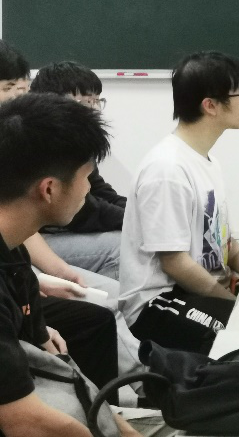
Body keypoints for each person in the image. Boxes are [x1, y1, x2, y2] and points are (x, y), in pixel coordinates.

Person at [0, 93, 138, 437]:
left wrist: (120, 429)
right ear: (48, 189)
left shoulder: (14, 253)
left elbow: (60, 368)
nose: (89, 189)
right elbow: (24, 421)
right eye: (86, 177)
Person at [119, 51, 239, 354]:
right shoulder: (167, 170)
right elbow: (175, 263)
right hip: (158, 303)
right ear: (211, 105)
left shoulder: (207, 161)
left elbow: (226, 243)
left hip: (197, 290)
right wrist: (236, 303)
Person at [31, 61, 125, 279]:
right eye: (85, 102)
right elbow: (83, 212)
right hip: (34, 240)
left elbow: (101, 191)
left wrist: (140, 214)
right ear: (53, 101)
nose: (94, 110)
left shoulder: (78, 141)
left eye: (96, 101)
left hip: (59, 233)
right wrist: (137, 222)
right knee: (123, 246)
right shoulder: (40, 142)